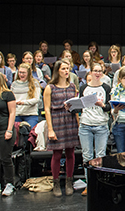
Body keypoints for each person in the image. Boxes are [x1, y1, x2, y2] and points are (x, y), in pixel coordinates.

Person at [43, 59, 80, 197]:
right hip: (57, 120)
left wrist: (78, 124)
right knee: (57, 154)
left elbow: (75, 108)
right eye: (64, 68)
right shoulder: (50, 87)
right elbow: (47, 109)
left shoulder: (72, 87)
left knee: (71, 153)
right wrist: (50, 129)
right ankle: (56, 183)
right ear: (57, 70)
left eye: (68, 68)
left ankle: (69, 182)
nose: (66, 71)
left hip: (70, 120)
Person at [77, 63, 111, 169]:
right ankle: (89, 184)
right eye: (95, 71)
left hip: (101, 125)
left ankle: (99, 184)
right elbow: (79, 107)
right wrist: (70, 107)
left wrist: (102, 105)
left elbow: (109, 107)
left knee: (100, 157)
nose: (97, 73)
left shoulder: (106, 88)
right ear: (91, 72)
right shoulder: (84, 88)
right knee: (87, 157)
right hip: (86, 124)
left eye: (100, 71)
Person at [11, 63, 41, 129]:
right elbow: (12, 98)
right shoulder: (14, 84)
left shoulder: (35, 83)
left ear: (28, 73)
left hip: (31, 114)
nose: (21, 74)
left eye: (24, 73)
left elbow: (36, 99)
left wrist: (23, 102)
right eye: (20, 72)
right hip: (17, 114)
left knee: (30, 133)